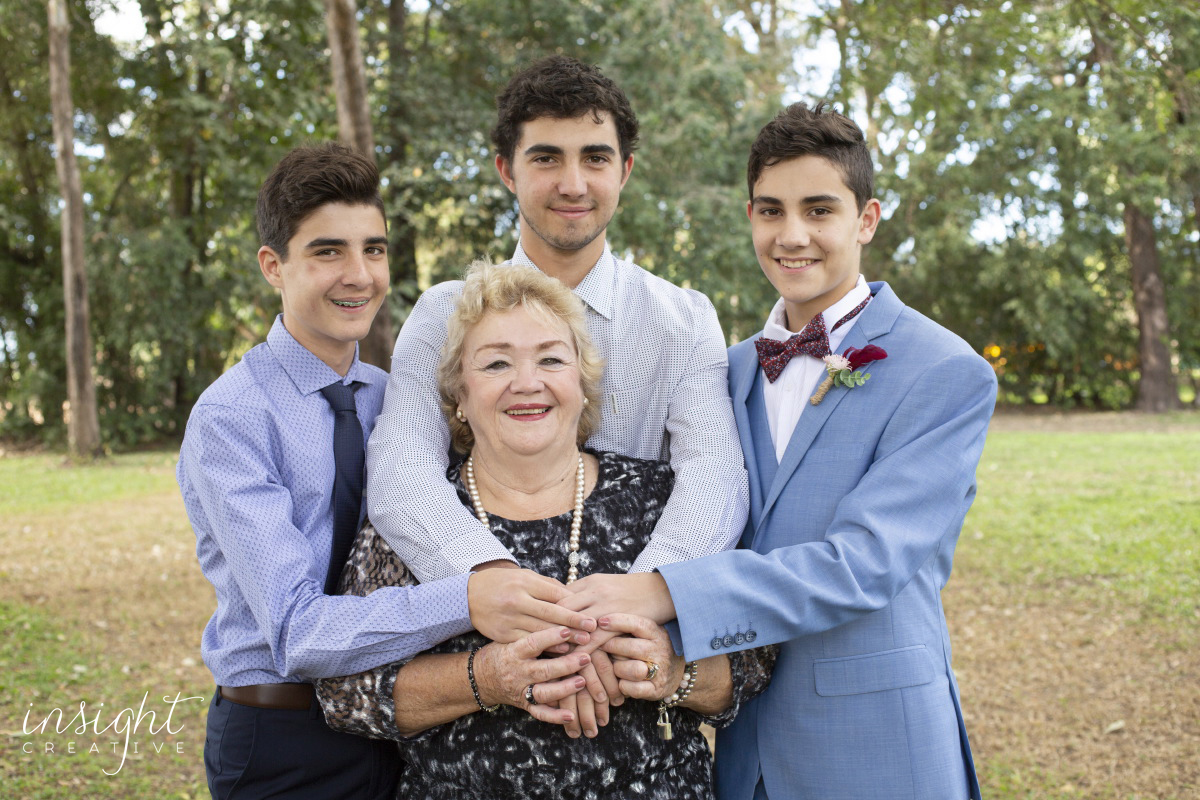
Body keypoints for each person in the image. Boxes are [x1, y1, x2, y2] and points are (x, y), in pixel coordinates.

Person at [560, 102, 997, 800]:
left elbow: (865, 565)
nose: (792, 236)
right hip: (743, 746)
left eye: (819, 210)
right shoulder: (726, 370)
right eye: (771, 211)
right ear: (750, 217)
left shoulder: (945, 371)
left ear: (867, 219)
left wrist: (664, 592)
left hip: (875, 745)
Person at [177, 144, 594, 800]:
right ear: (272, 266)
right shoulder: (232, 417)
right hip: (284, 738)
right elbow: (297, 631)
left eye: (373, 250)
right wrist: (468, 595)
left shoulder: (397, 398)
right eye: (327, 252)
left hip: (407, 723)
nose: (359, 275)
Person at [316, 261, 776, 800]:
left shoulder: (662, 502)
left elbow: (754, 662)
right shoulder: (416, 517)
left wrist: (671, 671)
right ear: (458, 397)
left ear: (582, 385)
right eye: (495, 364)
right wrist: (487, 678)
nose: (526, 383)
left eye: (551, 359)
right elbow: (344, 692)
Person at [365, 54, 748, 609]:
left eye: (595, 158)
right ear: (507, 171)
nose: (573, 184)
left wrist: (647, 593)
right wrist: (489, 582)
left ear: (625, 170)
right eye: (546, 158)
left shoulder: (684, 319)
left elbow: (713, 474)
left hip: (636, 637)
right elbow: (403, 468)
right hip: (474, 624)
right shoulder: (442, 314)